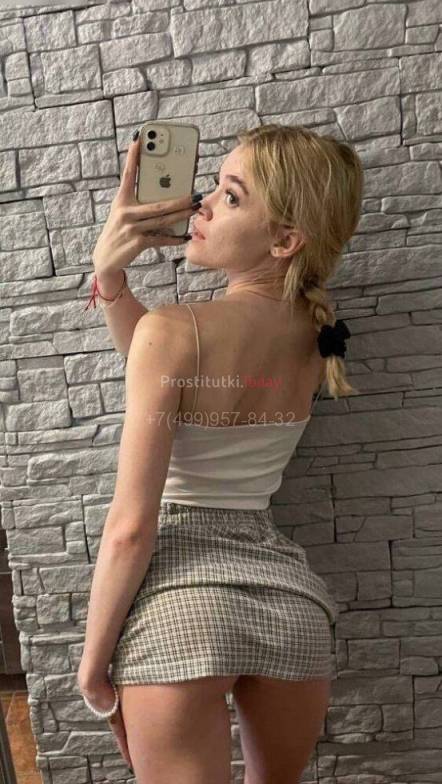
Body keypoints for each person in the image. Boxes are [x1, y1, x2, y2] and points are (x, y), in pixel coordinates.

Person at [77, 123, 364, 784]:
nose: (201, 203)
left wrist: (92, 670)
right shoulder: (316, 334)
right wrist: (111, 280)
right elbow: (167, 369)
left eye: (230, 196)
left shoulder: (174, 331)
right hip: (291, 609)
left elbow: (130, 531)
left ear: (284, 240)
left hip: (181, 603)